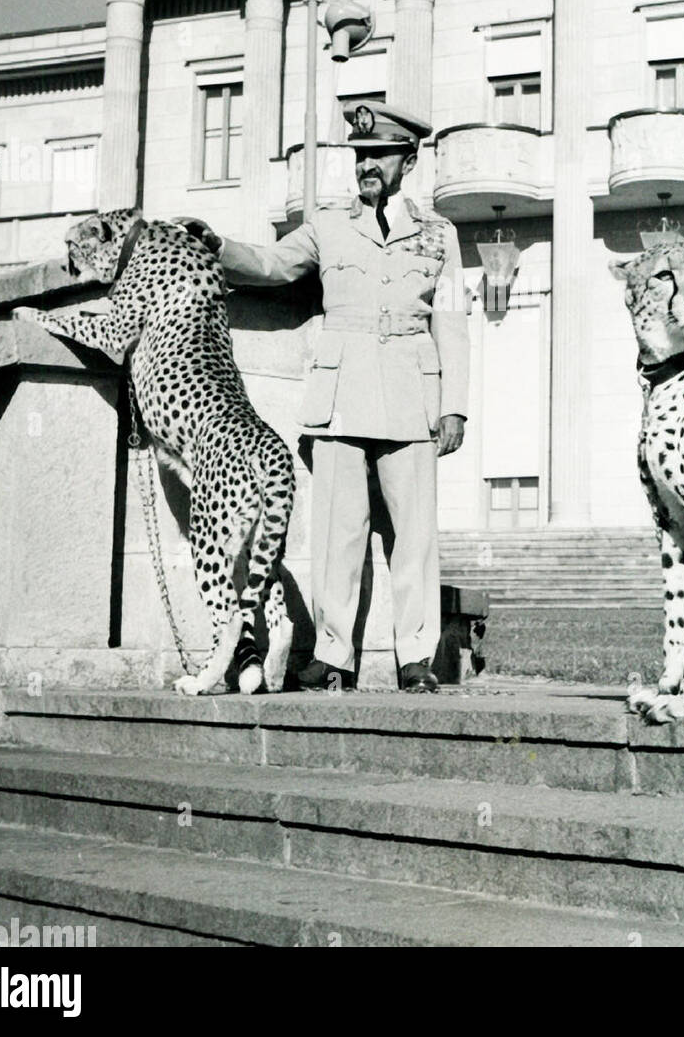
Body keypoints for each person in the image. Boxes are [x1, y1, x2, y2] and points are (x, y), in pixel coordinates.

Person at [178, 102, 468, 693]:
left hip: (413, 395)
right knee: (339, 533)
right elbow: (273, 264)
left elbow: (454, 320)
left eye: (380, 156)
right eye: (361, 156)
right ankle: (334, 656)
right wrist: (219, 245)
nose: (367, 165)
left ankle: (416, 658)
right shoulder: (327, 223)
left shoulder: (440, 234)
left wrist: (454, 405)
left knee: (414, 536)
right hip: (340, 396)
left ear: (407, 161)